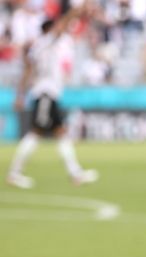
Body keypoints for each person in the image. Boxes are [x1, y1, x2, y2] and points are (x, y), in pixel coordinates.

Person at [6, 5, 98, 190]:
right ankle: (14, 172)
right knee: (36, 132)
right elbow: (63, 24)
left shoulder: (37, 48)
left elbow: (27, 71)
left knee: (60, 132)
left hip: (47, 93)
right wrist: (77, 10)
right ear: (48, 29)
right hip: (45, 93)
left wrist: (20, 95)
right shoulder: (47, 42)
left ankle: (75, 173)